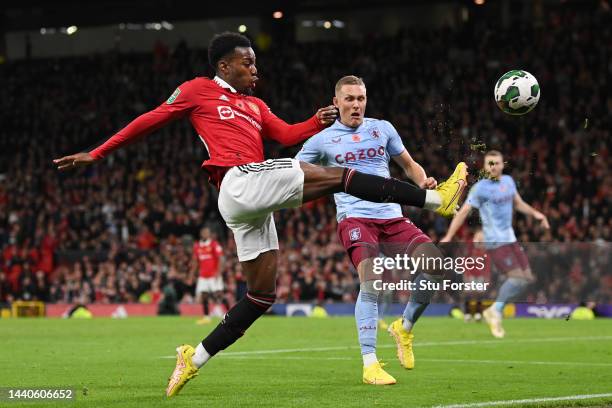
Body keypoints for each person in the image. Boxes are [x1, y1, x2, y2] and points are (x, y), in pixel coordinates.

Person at [53, 33, 467, 397]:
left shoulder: (255, 104)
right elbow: (151, 119)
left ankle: (192, 358)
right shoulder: (198, 90)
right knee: (341, 177)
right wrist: (98, 152)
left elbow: (286, 134)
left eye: (255, 61)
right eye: (247, 62)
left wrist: (312, 122)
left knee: (262, 294)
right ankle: (435, 201)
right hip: (236, 180)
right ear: (223, 65)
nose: (255, 67)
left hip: (253, 199)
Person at [297, 75, 467, 385]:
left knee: (436, 266)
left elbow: (408, 164)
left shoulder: (382, 128)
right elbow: (294, 173)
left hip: (391, 216)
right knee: (372, 282)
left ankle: (404, 327)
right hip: (355, 218)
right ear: (336, 103)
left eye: (361, 98)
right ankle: (370, 363)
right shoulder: (321, 140)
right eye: (349, 99)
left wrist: (422, 182)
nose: (356, 105)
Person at [441, 150, 549, 338]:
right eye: (490, 163)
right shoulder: (480, 189)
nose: (494, 166)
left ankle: (494, 309)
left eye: (497, 163)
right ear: (485, 166)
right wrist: (449, 236)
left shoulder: (508, 182)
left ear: (502, 165)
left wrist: (536, 214)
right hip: (495, 241)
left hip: (511, 238)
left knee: (527, 278)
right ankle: (495, 310)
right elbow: (464, 211)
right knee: (516, 278)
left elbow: (519, 203)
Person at [193, 227, 226, 325]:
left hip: (213, 275)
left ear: (209, 234)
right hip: (203, 275)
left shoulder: (214, 244)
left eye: (207, 233)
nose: (205, 234)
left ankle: (228, 314)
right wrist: (192, 274)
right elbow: (196, 261)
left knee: (218, 294)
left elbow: (221, 258)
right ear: (201, 233)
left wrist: (219, 272)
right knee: (204, 295)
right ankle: (206, 317)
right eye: (203, 232)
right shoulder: (197, 246)